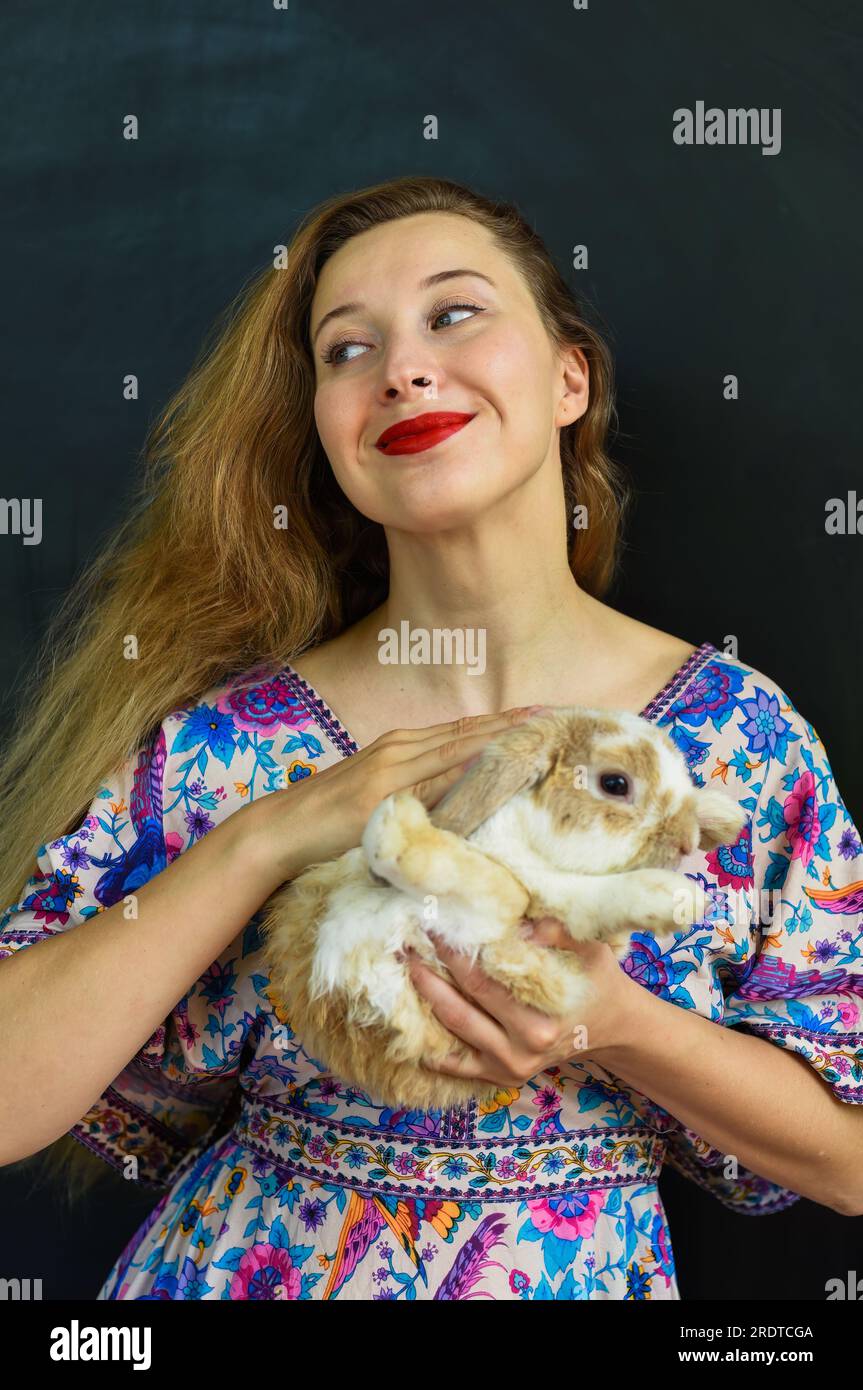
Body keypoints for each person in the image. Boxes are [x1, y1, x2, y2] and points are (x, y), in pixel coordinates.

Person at [1, 175, 861, 1302]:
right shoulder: (230, 748)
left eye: (452, 314)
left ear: (568, 378)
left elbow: (846, 1161)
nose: (400, 366)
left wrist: (609, 1022)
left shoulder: (735, 742)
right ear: (324, 431)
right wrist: (265, 837)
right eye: (345, 349)